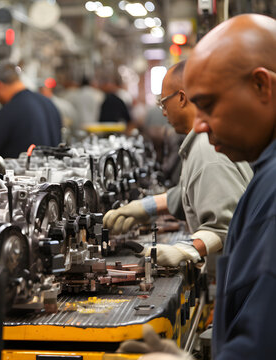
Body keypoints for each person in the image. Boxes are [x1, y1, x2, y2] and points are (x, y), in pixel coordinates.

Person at [118, 13, 276, 359]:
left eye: (208, 105)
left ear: (262, 86)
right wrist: (146, 206)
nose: (200, 126)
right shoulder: (265, 172)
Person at [103, 60, 252, 268]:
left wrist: (185, 249)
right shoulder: (203, 142)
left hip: (240, 273)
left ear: (181, 98)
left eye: (163, 103)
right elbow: (194, 191)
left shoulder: (208, 150)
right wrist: (144, 207)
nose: (164, 112)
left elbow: (226, 225)